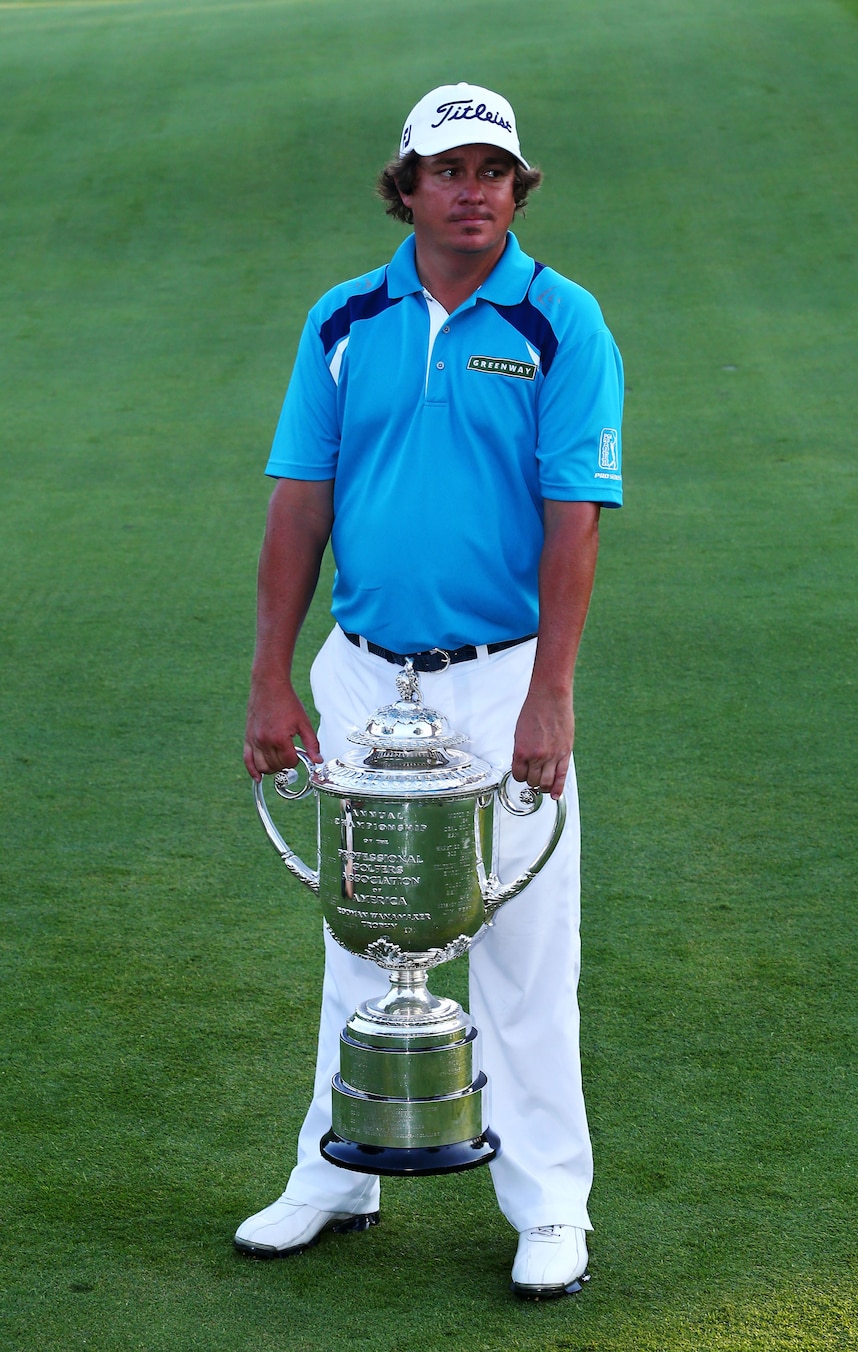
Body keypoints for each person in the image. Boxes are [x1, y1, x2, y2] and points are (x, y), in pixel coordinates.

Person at [236, 82, 624, 1298]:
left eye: (494, 170)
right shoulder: (346, 317)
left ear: (520, 186)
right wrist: (269, 678)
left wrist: (549, 694)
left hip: (499, 683)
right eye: (448, 170)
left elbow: (575, 524)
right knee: (363, 934)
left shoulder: (564, 322)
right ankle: (332, 1174)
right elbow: (300, 504)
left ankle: (552, 1203)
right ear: (403, 186)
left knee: (522, 947)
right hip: (359, 680)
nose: (473, 191)